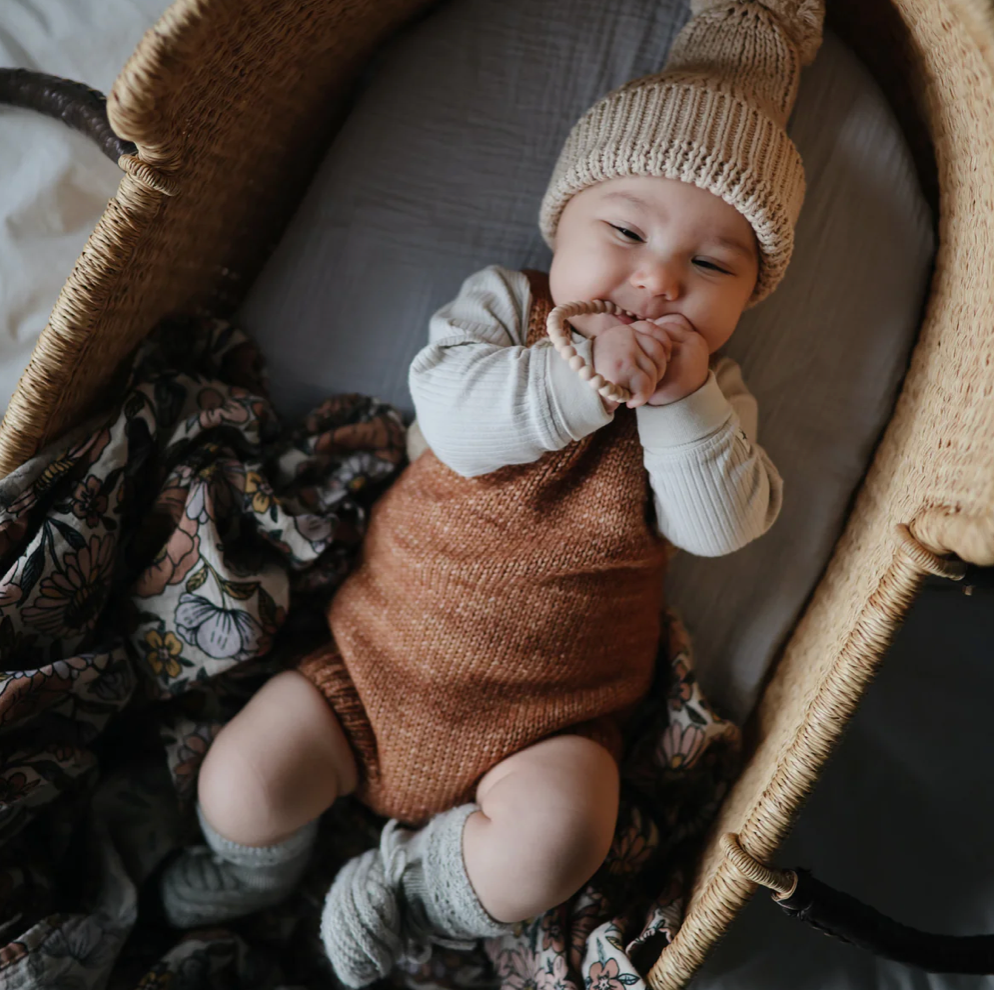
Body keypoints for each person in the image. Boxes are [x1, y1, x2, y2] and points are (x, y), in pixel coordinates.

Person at [158, 0, 823, 985]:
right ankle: (254, 865)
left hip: (550, 725)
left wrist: (677, 402)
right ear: (562, 222)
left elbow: (720, 525)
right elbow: (458, 423)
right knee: (242, 780)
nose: (655, 280)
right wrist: (577, 378)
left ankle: (410, 891)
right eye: (626, 229)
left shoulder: (710, 402)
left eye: (711, 264)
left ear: (747, 292)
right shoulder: (510, 309)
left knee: (561, 841)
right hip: (371, 666)